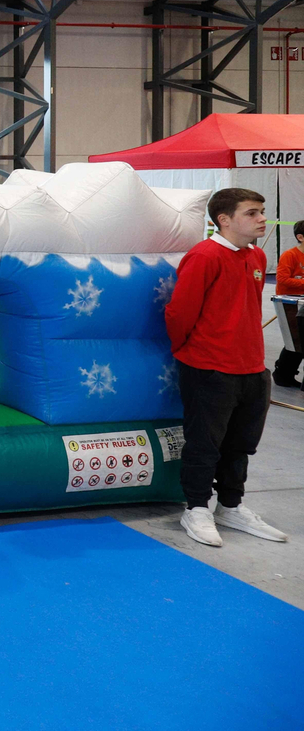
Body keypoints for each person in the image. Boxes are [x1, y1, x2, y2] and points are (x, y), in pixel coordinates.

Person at [164, 188, 289, 546]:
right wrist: (190, 353)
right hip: (210, 368)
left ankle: (230, 506)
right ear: (224, 219)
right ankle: (197, 509)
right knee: (205, 443)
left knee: (241, 445)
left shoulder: (257, 257)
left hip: (252, 369)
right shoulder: (204, 257)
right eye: (252, 213)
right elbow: (179, 312)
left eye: (262, 211)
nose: (262, 218)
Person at [271, 219, 304, 390]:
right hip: (289, 302)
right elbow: (282, 280)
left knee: (299, 341)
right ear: (300, 237)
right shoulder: (290, 255)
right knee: (295, 340)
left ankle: (285, 374)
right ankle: (282, 374)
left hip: (302, 302)